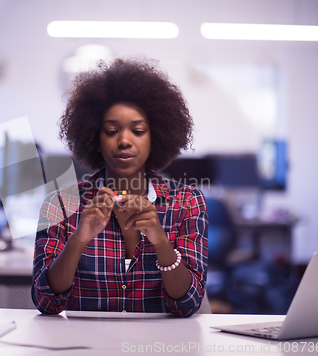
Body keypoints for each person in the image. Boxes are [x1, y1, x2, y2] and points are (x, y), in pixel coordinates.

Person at [31, 58, 208, 317]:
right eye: (112, 131)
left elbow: (187, 304)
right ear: (95, 139)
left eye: (137, 131)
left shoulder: (188, 202)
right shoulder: (61, 204)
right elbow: (47, 302)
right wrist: (78, 239)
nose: (124, 141)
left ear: (155, 138)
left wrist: (161, 241)